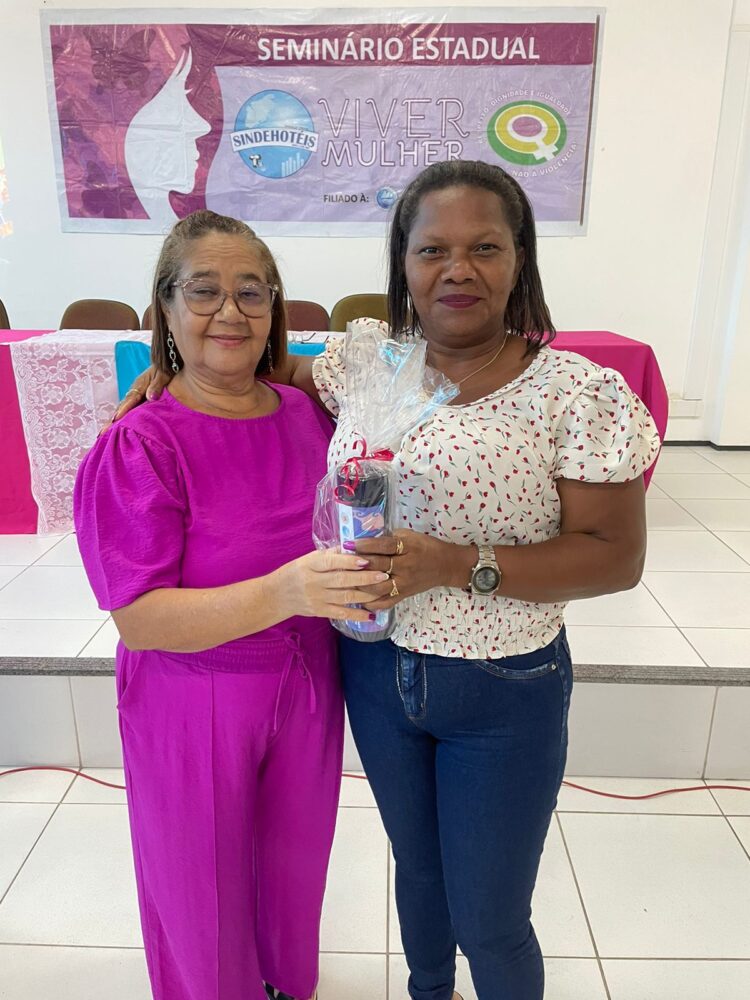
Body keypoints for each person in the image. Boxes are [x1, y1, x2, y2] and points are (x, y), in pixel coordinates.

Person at [118, 160, 660, 1000]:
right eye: (432, 249)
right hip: (374, 673)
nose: (457, 269)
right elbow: (258, 366)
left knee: (491, 917)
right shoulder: (369, 366)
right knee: (419, 876)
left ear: (520, 257)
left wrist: (458, 563)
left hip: (501, 687)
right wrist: (171, 372)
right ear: (402, 262)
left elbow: (616, 557)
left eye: (485, 247)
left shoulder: (576, 394)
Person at [74, 209, 389, 1000]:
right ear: (165, 306)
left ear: (276, 309)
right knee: (200, 889)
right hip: (193, 698)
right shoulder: (144, 442)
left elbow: (392, 363)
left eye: (252, 292)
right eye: (204, 291)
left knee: (292, 872)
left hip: (308, 686)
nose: (230, 312)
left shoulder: (309, 416)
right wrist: (287, 591)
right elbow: (140, 616)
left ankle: (282, 985)